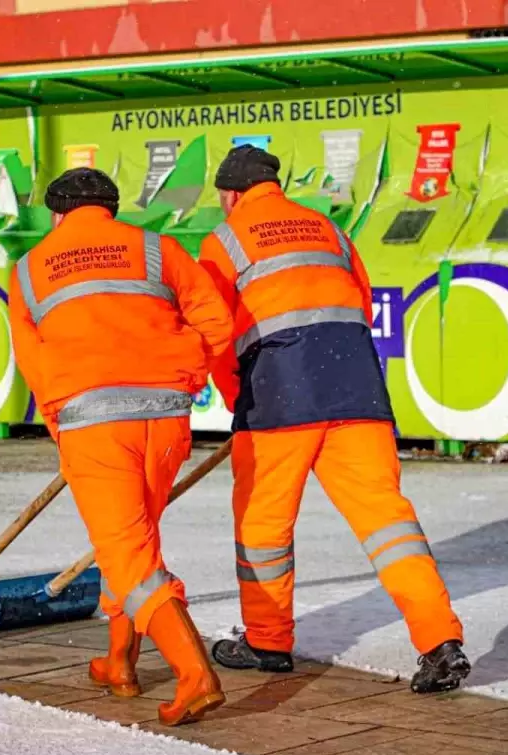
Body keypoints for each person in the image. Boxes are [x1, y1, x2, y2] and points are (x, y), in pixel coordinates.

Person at [198, 145, 471, 694]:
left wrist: (238, 395)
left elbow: (214, 330)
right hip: (356, 389)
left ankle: (268, 641)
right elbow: (361, 303)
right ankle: (441, 643)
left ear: (229, 194)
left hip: (278, 395)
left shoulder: (223, 240)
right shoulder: (326, 228)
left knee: (263, 527)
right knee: (387, 523)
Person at [8, 167, 235, 725]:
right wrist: (185, 374)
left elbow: (33, 363)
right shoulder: (156, 249)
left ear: (57, 214)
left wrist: (63, 426)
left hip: (93, 425)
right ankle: (119, 660)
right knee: (135, 542)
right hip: (166, 418)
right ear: (110, 209)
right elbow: (217, 322)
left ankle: (194, 673)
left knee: (128, 555)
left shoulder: (30, 271)